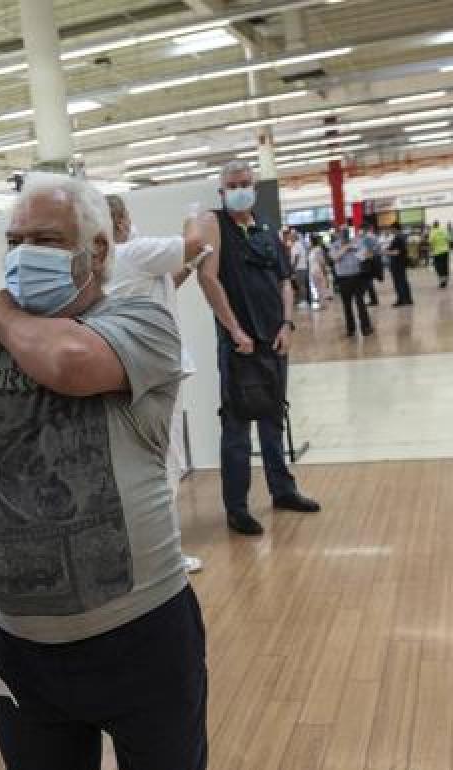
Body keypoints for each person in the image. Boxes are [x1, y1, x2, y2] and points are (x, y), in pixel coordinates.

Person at [0, 173, 207, 770]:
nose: (24, 254)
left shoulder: (142, 324)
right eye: (14, 240)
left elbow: (68, 363)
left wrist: (3, 316)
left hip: (142, 632)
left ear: (96, 252)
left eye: (46, 238)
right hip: (17, 645)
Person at [194, 159, 320, 537]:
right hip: (238, 346)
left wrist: (286, 324)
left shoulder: (265, 228)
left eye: (245, 183)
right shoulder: (215, 224)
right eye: (232, 185)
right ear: (222, 190)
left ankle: (283, 490)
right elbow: (207, 278)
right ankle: (237, 508)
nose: (239, 190)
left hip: (274, 340)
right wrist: (234, 330)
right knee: (236, 426)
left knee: (273, 417)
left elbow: (284, 280)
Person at [104, 193, 207, 574]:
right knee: (166, 463)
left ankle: (143, 552)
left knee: (147, 462)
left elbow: (159, 287)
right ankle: (165, 555)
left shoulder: (111, 265)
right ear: (118, 222)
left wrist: (189, 268)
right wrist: (194, 214)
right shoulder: (132, 252)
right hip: (159, 374)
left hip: (135, 372)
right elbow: (194, 240)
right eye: (127, 216)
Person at [331, 230, 374, 337]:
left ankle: (366, 327)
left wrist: (363, 251)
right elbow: (334, 257)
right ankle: (351, 329)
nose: (344, 235)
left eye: (346, 233)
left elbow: (368, 256)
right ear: (338, 235)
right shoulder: (334, 245)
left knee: (361, 303)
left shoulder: (357, 242)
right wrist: (346, 247)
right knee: (347, 305)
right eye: (342, 233)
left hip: (357, 277)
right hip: (343, 279)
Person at [386, 227, 414, 306]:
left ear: (395, 229)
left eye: (391, 229)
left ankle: (401, 300)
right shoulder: (402, 237)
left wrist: (385, 252)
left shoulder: (397, 238)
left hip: (397, 263)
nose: (390, 230)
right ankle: (408, 299)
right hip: (401, 263)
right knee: (404, 281)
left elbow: (396, 252)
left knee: (398, 282)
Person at [360, 225, 384, 306]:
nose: (361, 231)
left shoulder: (367, 238)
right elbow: (376, 249)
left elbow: (369, 250)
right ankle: (373, 300)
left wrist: (364, 256)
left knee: (367, 281)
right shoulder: (374, 237)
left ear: (364, 229)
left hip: (368, 262)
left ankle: (370, 300)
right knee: (368, 281)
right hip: (373, 261)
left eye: (361, 229)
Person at [308, 233, 330, 305]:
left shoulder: (318, 249)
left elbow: (322, 261)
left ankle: (324, 303)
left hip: (318, 270)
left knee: (322, 287)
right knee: (317, 287)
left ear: (312, 241)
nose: (309, 242)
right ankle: (322, 303)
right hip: (313, 271)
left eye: (310, 241)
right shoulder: (311, 250)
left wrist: (324, 270)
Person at [289, 229, 310, 306]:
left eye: (291, 236)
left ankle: (304, 301)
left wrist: (293, 268)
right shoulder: (297, 244)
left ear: (295, 237)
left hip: (299, 268)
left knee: (301, 285)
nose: (290, 238)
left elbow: (297, 257)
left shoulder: (297, 245)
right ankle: (303, 300)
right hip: (301, 267)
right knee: (301, 285)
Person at [429, 221, 451, 288]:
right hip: (445, 251)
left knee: (438, 267)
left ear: (433, 225)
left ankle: (442, 281)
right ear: (439, 225)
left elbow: (430, 241)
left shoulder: (432, 232)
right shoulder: (444, 230)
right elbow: (449, 239)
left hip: (437, 252)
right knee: (445, 265)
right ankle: (446, 279)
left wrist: (432, 249)